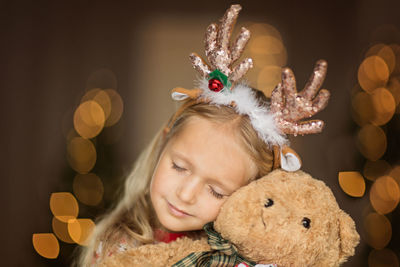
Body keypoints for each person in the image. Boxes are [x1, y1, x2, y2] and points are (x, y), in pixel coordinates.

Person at [77, 4, 330, 266]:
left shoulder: (248, 258)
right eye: (179, 167)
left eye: (216, 191)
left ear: (251, 194)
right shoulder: (119, 246)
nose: (186, 195)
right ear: (164, 142)